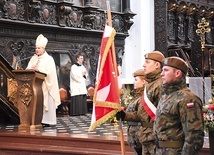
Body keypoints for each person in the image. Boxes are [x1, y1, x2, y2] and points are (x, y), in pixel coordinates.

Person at [116, 51, 165, 155]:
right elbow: (142, 115)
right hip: (146, 138)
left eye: (147, 62)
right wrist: (124, 115)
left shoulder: (160, 85)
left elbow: (165, 114)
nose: (144, 65)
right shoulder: (151, 85)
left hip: (155, 139)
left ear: (157, 65)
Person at [154, 56, 204, 155]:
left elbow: (194, 136)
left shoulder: (188, 98)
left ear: (177, 73)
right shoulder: (166, 96)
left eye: (166, 70)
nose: (161, 74)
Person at [26, 34, 61, 127]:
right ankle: (36, 119)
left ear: (44, 49)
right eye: (36, 48)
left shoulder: (49, 59)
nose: (37, 50)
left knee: (47, 102)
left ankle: (47, 121)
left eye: (39, 48)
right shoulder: (33, 58)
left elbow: (50, 72)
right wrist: (31, 68)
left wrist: (39, 69)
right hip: (35, 86)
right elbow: (27, 68)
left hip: (46, 85)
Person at [122, 69, 148, 155]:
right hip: (135, 137)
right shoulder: (138, 96)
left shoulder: (146, 97)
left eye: (136, 80)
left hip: (140, 136)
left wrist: (125, 115)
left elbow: (140, 115)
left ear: (144, 81)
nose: (134, 82)